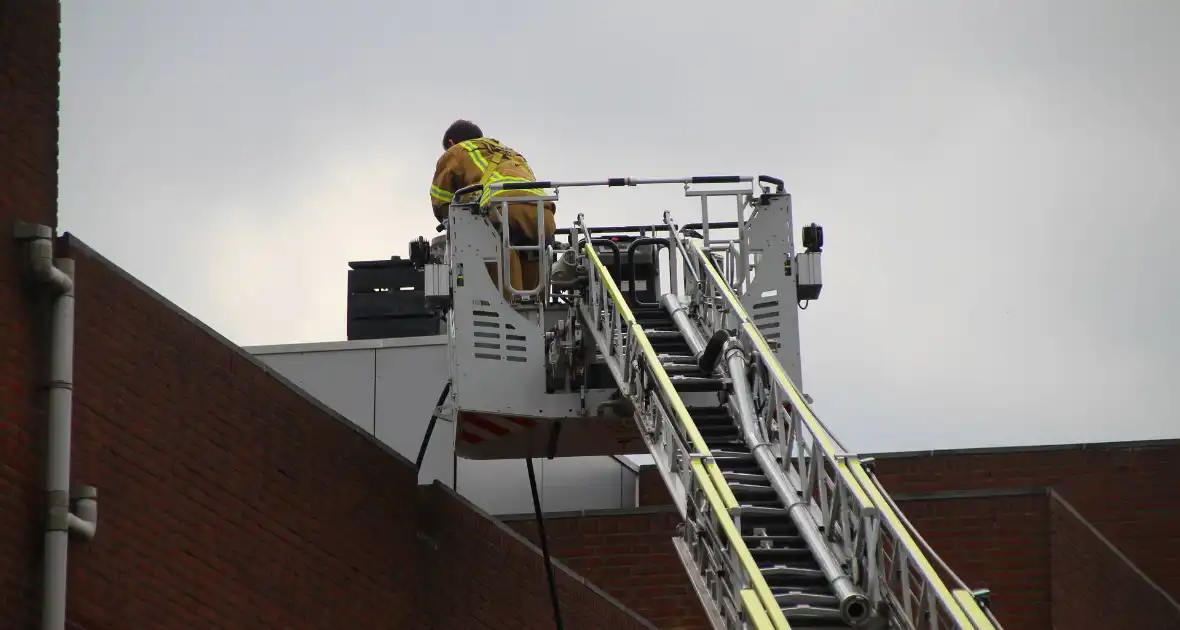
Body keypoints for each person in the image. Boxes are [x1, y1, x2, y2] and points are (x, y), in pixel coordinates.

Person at [429, 120, 556, 301]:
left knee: (497, 250)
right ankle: (536, 310)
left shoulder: (457, 151)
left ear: (451, 143)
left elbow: (441, 201)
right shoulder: (512, 154)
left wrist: (449, 223)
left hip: (504, 209)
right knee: (530, 257)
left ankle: (510, 309)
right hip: (543, 214)